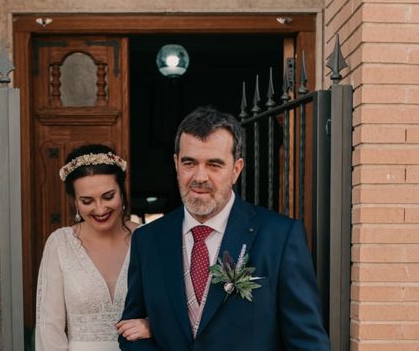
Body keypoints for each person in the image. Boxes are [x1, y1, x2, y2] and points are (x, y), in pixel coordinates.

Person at [119, 106, 330, 350]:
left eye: (214, 165)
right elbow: (131, 331)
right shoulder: (148, 240)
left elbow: (307, 342)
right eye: (189, 163)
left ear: (236, 169)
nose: (200, 177)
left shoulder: (280, 237)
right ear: (176, 164)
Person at [35, 144, 151, 350]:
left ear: (122, 193)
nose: (100, 209)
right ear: (75, 203)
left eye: (108, 197)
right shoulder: (60, 244)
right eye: (87, 201)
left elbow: (171, 310)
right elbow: (49, 327)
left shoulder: (148, 238)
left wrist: (152, 325)